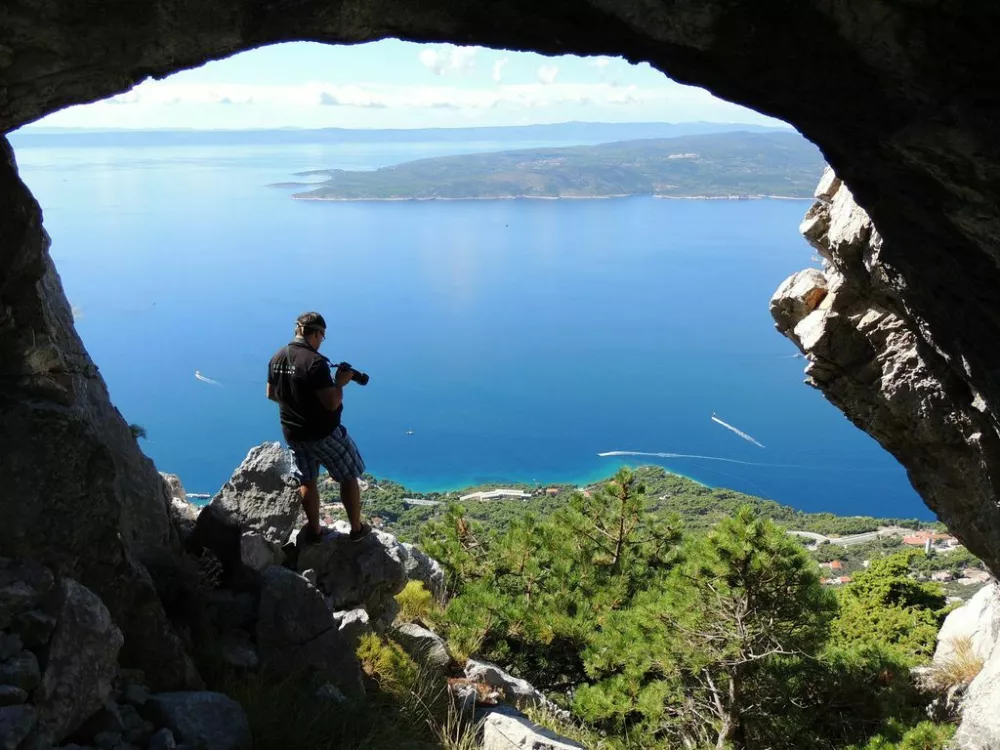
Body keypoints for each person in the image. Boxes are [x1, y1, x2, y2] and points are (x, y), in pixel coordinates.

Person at [267, 311, 371, 543]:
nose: (321, 340)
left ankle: (314, 530)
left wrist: (298, 403)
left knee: (308, 479)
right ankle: (357, 529)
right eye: (322, 336)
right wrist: (339, 383)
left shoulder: (277, 357)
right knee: (348, 475)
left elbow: (271, 394)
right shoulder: (315, 363)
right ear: (315, 333)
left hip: (293, 433)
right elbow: (332, 402)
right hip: (323, 434)